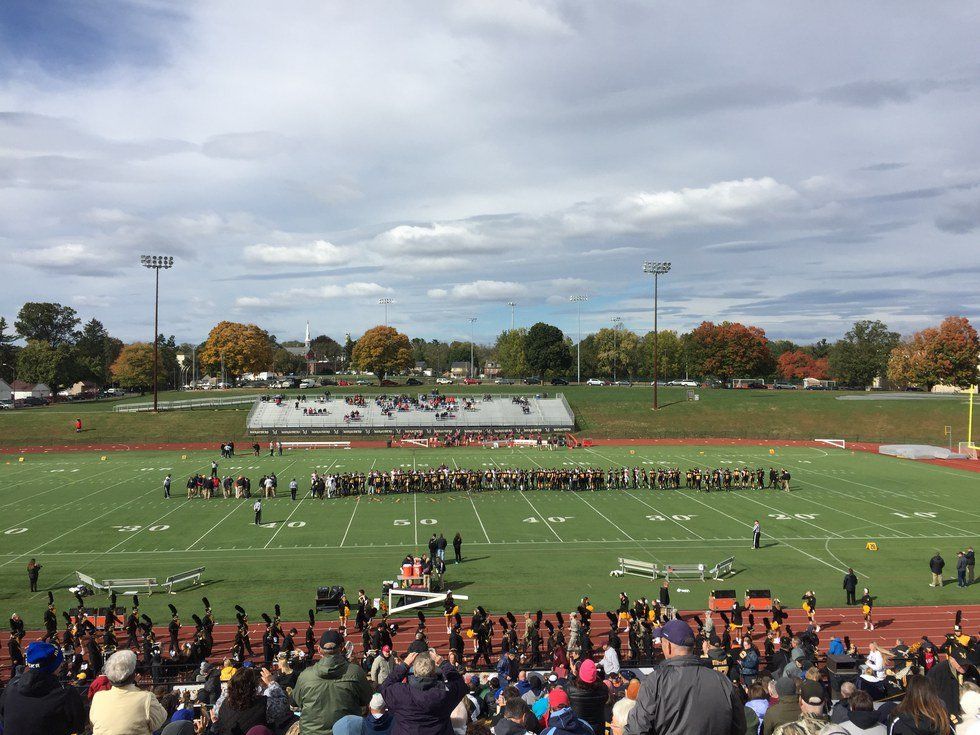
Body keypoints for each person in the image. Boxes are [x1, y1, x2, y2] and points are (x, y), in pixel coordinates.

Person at [625, 618, 744, 735]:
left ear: (669, 646)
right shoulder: (722, 681)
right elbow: (739, 727)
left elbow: (637, 729)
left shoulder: (654, 682)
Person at [293, 630, 372, 735]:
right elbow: (366, 699)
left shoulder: (305, 676)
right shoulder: (355, 672)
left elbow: (296, 702)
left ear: (319, 650)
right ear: (342, 648)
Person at [0, 641, 85, 735]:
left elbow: (3, 719)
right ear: (54, 666)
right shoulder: (66, 693)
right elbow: (79, 726)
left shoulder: (11, 687)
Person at [379, 649, 468, 735]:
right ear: (434, 671)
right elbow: (459, 683)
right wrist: (442, 662)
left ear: (414, 671)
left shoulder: (401, 692)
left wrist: (404, 665)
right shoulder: (444, 693)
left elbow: (385, 686)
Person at [89, 650, 168, 735]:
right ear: (132, 674)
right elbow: (160, 720)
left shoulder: (98, 697)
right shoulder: (146, 698)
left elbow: (92, 723)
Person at [213, 666, 290, 735]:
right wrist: (272, 683)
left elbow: (216, 712)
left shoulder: (223, 703)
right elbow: (283, 705)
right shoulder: (265, 704)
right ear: (255, 686)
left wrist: (233, 685)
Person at [925, 648, 969, 718]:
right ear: (951, 659)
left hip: (968, 715)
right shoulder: (937, 671)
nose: (964, 666)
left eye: (966, 663)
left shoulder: (971, 670)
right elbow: (927, 694)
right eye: (961, 663)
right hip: (945, 715)